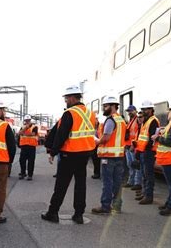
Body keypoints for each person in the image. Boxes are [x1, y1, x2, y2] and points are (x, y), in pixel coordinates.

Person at [42, 85, 96, 224]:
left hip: (69, 154)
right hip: (84, 154)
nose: (66, 101)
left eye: (66, 98)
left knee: (61, 185)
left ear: (72, 98)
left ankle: (53, 212)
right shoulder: (90, 113)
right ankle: (79, 215)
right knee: (80, 185)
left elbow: (61, 135)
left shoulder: (70, 113)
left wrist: (53, 152)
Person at [91, 96, 126, 214]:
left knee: (107, 182)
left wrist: (97, 141)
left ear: (112, 106)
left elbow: (106, 138)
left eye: (105, 106)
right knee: (117, 182)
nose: (104, 109)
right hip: (120, 156)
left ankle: (105, 206)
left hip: (108, 157)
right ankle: (117, 206)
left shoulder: (111, 120)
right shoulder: (121, 120)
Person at [135, 100, 160, 205]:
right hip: (143, 151)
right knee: (145, 174)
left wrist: (146, 149)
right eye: (143, 109)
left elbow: (152, 138)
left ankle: (149, 196)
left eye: (145, 109)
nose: (143, 111)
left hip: (148, 152)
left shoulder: (153, 121)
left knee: (148, 174)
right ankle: (145, 193)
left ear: (150, 110)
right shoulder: (146, 120)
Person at [124, 105, 141, 188]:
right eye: (128, 111)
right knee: (130, 164)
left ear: (135, 111)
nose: (129, 113)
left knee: (135, 165)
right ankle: (131, 181)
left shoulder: (137, 120)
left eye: (131, 111)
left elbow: (139, 134)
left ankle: (137, 183)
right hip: (128, 146)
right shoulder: (130, 121)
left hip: (133, 146)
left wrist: (134, 145)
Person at [18, 115, 38, 180]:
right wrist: (26, 128)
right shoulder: (23, 127)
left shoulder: (34, 127)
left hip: (31, 146)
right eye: (26, 120)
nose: (27, 121)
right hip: (24, 146)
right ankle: (23, 173)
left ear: (30, 120)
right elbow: (19, 133)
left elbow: (33, 134)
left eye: (28, 120)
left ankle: (30, 175)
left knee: (31, 161)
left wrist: (24, 133)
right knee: (22, 160)